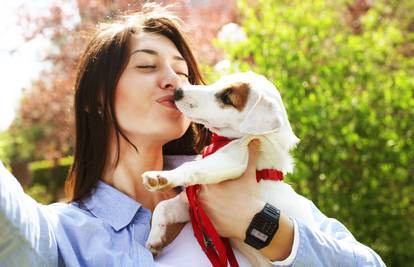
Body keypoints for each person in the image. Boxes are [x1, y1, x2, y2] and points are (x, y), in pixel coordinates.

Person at [0, 3, 386, 267]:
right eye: (147, 66)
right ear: (97, 99)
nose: (173, 80)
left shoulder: (244, 183)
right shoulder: (63, 235)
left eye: (183, 72)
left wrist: (261, 225)